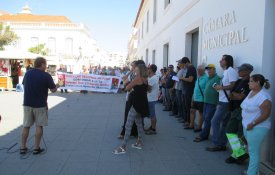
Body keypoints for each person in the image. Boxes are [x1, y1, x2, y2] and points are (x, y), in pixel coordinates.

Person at [20, 57, 59, 155]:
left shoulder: (28, 73)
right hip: (40, 105)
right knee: (39, 125)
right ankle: (36, 148)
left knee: (26, 126)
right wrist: (59, 85)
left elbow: (24, 84)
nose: (46, 66)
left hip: (27, 103)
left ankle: (23, 147)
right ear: (41, 64)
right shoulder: (46, 75)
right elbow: (53, 90)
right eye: (45, 64)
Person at [113, 64, 149, 154]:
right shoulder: (145, 79)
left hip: (136, 105)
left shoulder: (137, 79)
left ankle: (123, 147)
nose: (134, 71)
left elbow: (127, 88)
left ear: (140, 70)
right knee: (139, 124)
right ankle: (139, 142)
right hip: (142, 104)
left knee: (128, 125)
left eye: (136, 70)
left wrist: (130, 85)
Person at [206, 55, 238, 152]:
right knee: (224, 124)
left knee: (214, 121)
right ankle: (221, 144)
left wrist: (221, 88)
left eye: (222, 59)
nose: (220, 61)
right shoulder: (226, 72)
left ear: (228, 61)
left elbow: (233, 85)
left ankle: (217, 144)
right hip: (223, 100)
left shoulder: (231, 71)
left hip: (225, 102)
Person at [241, 74, 272, 175]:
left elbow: (266, 114)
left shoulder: (264, 96)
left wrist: (253, 123)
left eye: (251, 81)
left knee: (253, 152)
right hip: (247, 126)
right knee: (253, 151)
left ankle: (251, 173)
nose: (248, 83)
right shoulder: (251, 92)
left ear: (258, 82)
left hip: (257, 127)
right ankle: (255, 172)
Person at [225, 64, 253, 164]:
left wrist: (235, 95)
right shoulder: (238, 81)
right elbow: (230, 94)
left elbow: (241, 97)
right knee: (229, 131)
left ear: (248, 71)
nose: (239, 71)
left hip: (243, 111)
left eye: (241, 70)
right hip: (235, 109)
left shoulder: (249, 82)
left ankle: (236, 155)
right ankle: (240, 154)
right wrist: (235, 95)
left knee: (241, 134)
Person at [193, 64, 220, 142]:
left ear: (214, 70)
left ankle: (204, 135)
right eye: (208, 69)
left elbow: (218, 91)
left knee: (208, 119)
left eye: (210, 69)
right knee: (206, 118)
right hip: (206, 101)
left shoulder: (217, 78)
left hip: (212, 102)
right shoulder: (209, 78)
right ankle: (205, 134)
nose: (209, 71)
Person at [117, 61, 138, 139]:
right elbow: (125, 80)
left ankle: (125, 132)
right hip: (129, 97)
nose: (131, 67)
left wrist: (127, 85)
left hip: (134, 98)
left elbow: (128, 86)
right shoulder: (132, 74)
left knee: (130, 116)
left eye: (133, 66)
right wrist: (129, 72)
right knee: (131, 116)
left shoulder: (138, 76)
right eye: (131, 66)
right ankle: (133, 132)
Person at [185, 65, 207, 132]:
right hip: (195, 98)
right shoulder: (198, 77)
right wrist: (193, 97)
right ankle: (191, 125)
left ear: (203, 70)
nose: (198, 71)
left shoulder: (206, 78)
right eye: (198, 70)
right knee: (192, 111)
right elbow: (195, 88)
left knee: (200, 113)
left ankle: (199, 127)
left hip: (201, 99)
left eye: (200, 70)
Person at [180, 57, 197, 126]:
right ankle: (187, 120)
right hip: (186, 90)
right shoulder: (189, 68)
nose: (184, 66)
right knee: (186, 105)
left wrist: (182, 78)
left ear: (186, 62)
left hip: (189, 90)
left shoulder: (191, 68)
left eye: (184, 64)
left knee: (188, 106)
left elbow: (190, 79)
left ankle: (189, 122)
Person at [145, 64, 159, 135]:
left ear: (151, 70)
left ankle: (153, 129)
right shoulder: (152, 77)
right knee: (151, 114)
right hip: (151, 98)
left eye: (148, 68)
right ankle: (152, 127)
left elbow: (149, 89)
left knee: (152, 114)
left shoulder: (154, 78)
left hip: (151, 98)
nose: (147, 69)